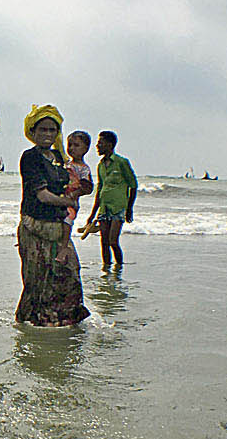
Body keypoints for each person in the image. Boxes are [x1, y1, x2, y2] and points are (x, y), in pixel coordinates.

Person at [16, 105, 89, 326]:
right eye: (43, 130)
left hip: (58, 229)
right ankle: (30, 325)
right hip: (35, 227)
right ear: (34, 132)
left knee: (69, 275)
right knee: (37, 281)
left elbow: (78, 183)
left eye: (52, 130)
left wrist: (80, 190)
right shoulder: (30, 158)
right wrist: (68, 202)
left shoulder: (60, 158)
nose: (48, 135)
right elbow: (43, 196)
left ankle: (63, 323)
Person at [82, 130, 138, 270]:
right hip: (104, 208)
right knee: (104, 242)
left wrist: (129, 209)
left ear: (110, 144)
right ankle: (106, 270)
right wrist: (92, 214)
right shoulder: (100, 165)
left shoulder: (121, 162)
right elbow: (100, 190)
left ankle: (119, 268)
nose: (97, 146)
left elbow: (133, 185)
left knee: (113, 241)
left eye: (100, 143)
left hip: (118, 207)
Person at [60, 130, 94, 262]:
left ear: (85, 149)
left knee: (68, 219)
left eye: (76, 145)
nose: (72, 148)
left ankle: (64, 245)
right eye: (70, 145)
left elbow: (88, 188)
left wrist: (74, 194)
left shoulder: (83, 168)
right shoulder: (66, 163)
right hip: (60, 197)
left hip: (71, 201)